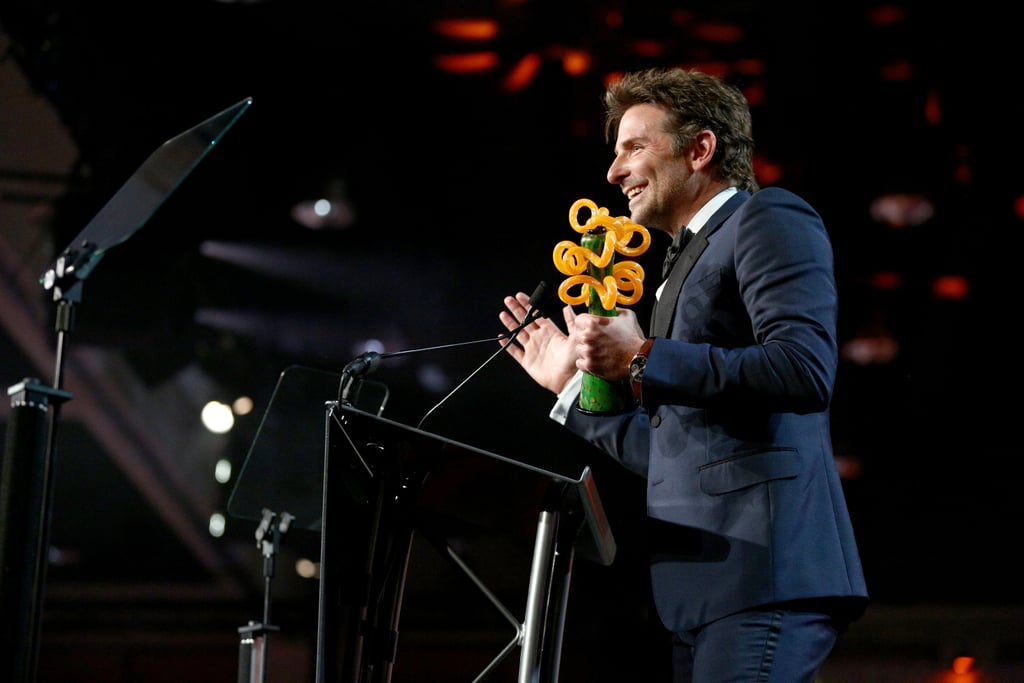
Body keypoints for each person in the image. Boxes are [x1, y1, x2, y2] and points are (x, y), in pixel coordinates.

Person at [498, 67, 868, 682]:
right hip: (700, 591)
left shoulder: (766, 217)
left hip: (765, 574)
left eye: (634, 147)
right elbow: (672, 451)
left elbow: (803, 369)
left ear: (700, 150)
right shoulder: (679, 267)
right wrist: (571, 387)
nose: (614, 172)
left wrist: (642, 356)